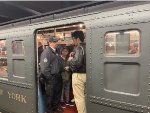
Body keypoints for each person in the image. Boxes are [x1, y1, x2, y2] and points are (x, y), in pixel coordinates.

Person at [40, 36, 63, 113]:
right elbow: (44, 69)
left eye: (56, 41)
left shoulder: (56, 52)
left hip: (58, 77)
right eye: (54, 42)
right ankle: (49, 111)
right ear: (49, 43)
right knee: (50, 96)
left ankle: (55, 109)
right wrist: (50, 79)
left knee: (57, 95)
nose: (56, 43)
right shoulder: (46, 52)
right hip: (52, 78)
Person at [65, 30, 86, 113]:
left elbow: (77, 63)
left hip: (78, 76)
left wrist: (70, 61)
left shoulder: (79, 47)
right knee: (85, 97)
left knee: (79, 99)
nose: (72, 41)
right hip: (86, 75)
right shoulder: (86, 46)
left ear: (77, 39)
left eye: (73, 39)